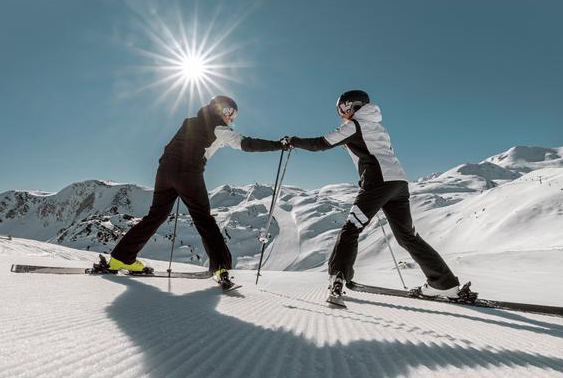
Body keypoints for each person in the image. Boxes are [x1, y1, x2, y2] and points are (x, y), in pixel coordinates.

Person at [287, 90, 463, 298]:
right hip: (398, 183)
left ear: (352, 106)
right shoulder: (378, 127)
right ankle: (444, 283)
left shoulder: (353, 125)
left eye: (342, 108)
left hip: (378, 183)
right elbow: (374, 151)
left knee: (351, 229)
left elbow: (321, 143)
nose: (341, 113)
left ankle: (338, 276)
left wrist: (293, 141)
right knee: (408, 236)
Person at [108, 95, 287, 288]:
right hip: (188, 173)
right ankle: (221, 268)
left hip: (164, 171)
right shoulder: (218, 127)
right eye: (231, 113)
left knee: (156, 216)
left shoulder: (191, 122)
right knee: (204, 219)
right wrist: (278, 145)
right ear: (222, 109)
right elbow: (245, 144)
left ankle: (120, 258)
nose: (232, 118)